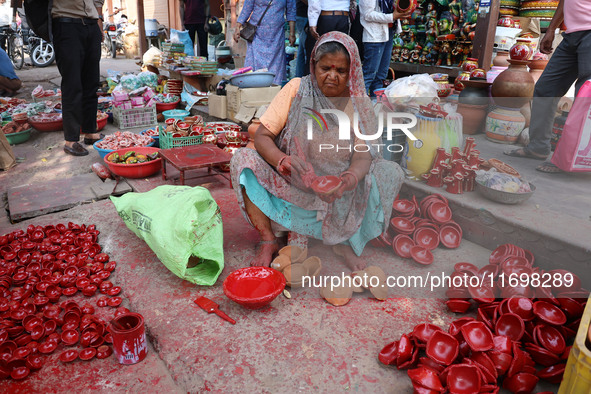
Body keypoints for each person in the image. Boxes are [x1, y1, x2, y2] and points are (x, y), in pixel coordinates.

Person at [230, 32, 404, 270]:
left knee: (389, 171)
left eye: (341, 71)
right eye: (325, 68)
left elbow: (364, 155)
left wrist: (348, 179)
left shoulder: (358, 103)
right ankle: (268, 239)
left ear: (351, 71)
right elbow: (262, 135)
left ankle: (346, 241)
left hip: (340, 194)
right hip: (292, 185)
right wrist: (282, 160)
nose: (332, 76)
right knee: (243, 159)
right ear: (313, 65)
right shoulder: (297, 89)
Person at [504, 0, 591, 173]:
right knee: (546, 88)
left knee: (584, 97)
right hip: (572, 35)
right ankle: (537, 147)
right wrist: (551, 29)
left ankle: (567, 159)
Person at [52, 0, 104, 156]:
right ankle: (71, 140)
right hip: (66, 24)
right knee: (72, 83)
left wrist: (99, 19)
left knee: (92, 83)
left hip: (91, 24)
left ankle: (90, 132)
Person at [233, 0, 296, 85]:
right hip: (257, 35)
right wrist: (237, 27)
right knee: (254, 66)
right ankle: (255, 89)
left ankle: (274, 92)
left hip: (276, 36)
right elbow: (247, 8)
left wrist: (292, 33)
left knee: (276, 68)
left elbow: (291, 11)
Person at [359, 0, 409, 96]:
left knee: (381, 76)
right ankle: (360, 107)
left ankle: (376, 106)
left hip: (388, 33)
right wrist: (391, 17)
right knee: (369, 75)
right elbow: (367, 14)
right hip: (374, 36)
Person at [305, 0, 352, 71]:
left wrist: (312, 23)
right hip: (343, 15)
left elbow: (314, 2)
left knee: (318, 54)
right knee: (339, 53)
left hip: (327, 15)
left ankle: (316, 79)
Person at [295, 0, 308, 77]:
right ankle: (303, 79)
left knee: (302, 50)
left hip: (303, 15)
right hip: (304, 16)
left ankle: (299, 79)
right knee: (306, 50)